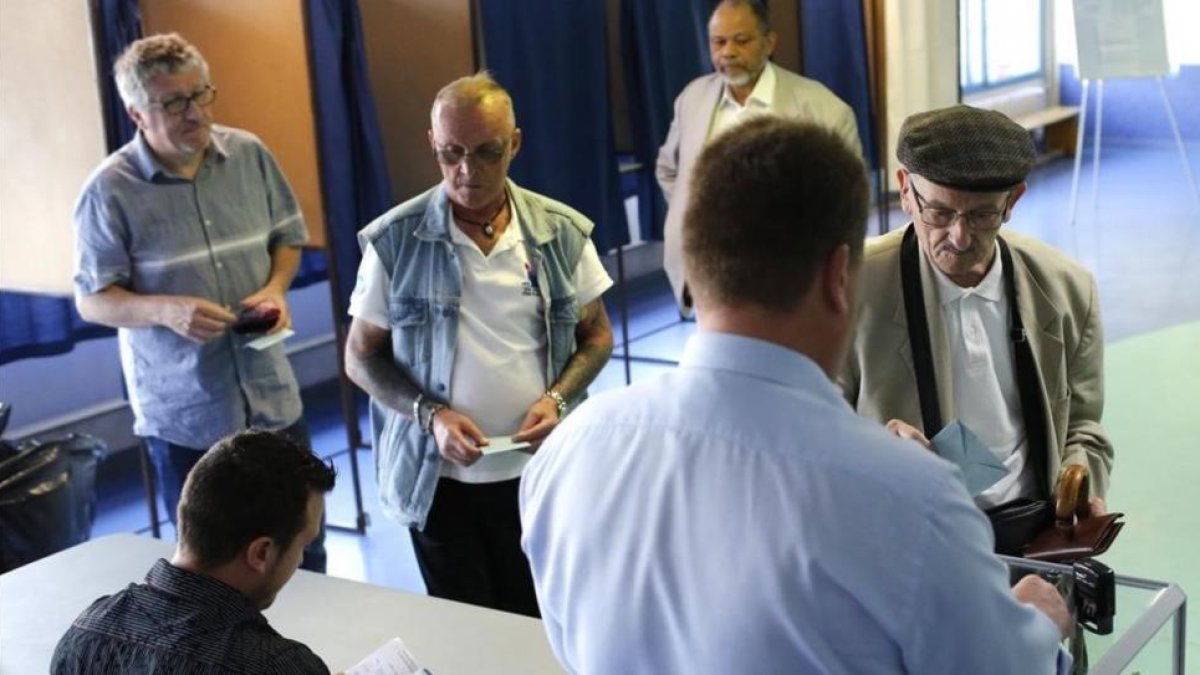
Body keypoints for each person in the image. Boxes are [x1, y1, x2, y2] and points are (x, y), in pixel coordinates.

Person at [521, 116, 1074, 673]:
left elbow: (569, 644)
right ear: (840, 277)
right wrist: (1039, 626)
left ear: (693, 267)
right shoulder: (910, 498)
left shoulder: (567, 456)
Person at [344, 72, 614, 617]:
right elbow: (360, 355)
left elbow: (597, 335)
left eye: (487, 152)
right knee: (464, 624)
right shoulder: (396, 241)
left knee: (541, 615)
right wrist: (431, 414)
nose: (467, 171)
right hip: (441, 480)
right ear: (433, 145)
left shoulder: (557, 232)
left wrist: (557, 399)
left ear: (514, 143)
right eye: (451, 154)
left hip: (538, 469)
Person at [72, 33, 326, 571]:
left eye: (201, 94)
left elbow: (288, 237)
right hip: (186, 411)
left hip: (271, 395)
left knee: (303, 550)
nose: (195, 113)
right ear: (137, 113)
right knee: (213, 570)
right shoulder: (108, 191)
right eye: (174, 103)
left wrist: (276, 288)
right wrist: (165, 310)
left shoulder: (250, 154)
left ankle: (307, 659)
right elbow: (92, 300)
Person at [841, 105, 1113, 525]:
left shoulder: (1068, 288)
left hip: (1034, 530)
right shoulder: (850, 287)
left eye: (983, 215)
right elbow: (806, 431)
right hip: (909, 531)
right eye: (939, 212)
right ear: (905, 190)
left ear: (1014, 200)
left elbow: (1082, 425)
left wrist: (1081, 486)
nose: (960, 237)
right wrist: (878, 447)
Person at [51, 429, 336, 674]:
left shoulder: (84, 634)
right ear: (260, 553)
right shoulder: (278, 666)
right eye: (303, 545)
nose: (299, 561)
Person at [656, 0, 861, 317]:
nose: (728, 52)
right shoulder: (692, 98)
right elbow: (669, 170)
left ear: (769, 43)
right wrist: (698, 213)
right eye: (718, 42)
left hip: (790, 273)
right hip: (711, 272)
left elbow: (848, 197)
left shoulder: (823, 109)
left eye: (741, 40)